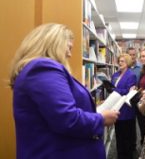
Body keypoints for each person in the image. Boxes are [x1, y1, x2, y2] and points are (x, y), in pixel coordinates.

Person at [9, 23, 119, 159]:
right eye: (69, 47)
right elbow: (67, 118)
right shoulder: (43, 68)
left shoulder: (40, 70)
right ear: (54, 43)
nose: (70, 54)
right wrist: (101, 119)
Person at [111, 53, 137, 159]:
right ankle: (120, 155)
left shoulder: (131, 75)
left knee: (127, 138)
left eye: (123, 61)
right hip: (116, 108)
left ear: (127, 63)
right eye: (119, 61)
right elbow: (113, 87)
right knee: (119, 136)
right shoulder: (115, 75)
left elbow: (129, 92)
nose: (120, 63)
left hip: (126, 110)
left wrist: (114, 90)